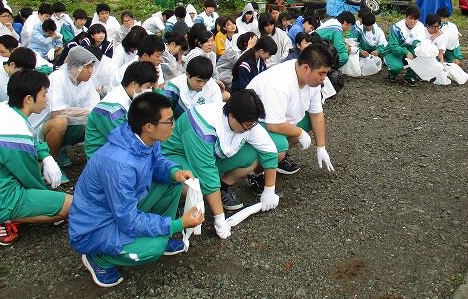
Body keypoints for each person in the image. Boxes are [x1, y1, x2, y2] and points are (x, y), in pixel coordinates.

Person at [69, 92, 203, 288]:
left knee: (174, 183)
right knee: (153, 248)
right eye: (169, 121)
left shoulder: (143, 137)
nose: (174, 125)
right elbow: (128, 220)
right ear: (149, 126)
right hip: (95, 227)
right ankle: (98, 258)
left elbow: (156, 161)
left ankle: (160, 233)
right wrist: (177, 224)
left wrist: (174, 172)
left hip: (118, 209)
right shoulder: (119, 164)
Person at [0, 70, 71, 247]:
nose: (47, 100)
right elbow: (31, 180)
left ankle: (7, 215)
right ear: (29, 99)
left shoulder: (4, 109)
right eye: (44, 94)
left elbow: (32, 139)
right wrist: (49, 199)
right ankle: (0, 219)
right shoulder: (16, 138)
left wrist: (46, 156)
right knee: (70, 206)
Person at [162, 89, 279, 222]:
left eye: (253, 125)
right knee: (191, 183)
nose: (250, 129)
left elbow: (269, 150)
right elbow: (206, 171)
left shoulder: (246, 121)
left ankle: (223, 186)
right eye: (247, 126)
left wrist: (270, 189)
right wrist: (220, 218)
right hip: (178, 155)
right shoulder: (202, 125)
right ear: (232, 116)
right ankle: (179, 202)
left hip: (209, 156)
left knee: (253, 154)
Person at [247, 44, 336, 175]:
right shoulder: (279, 82)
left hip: (277, 119)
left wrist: (321, 147)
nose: (324, 78)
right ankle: (256, 173)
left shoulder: (312, 81)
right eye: (321, 73)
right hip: (255, 122)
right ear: (306, 68)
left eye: (326, 73)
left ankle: (276, 159)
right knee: (280, 147)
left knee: (309, 121)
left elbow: (317, 115)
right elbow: (273, 125)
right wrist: (299, 132)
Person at [37, 47, 100, 164]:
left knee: (96, 121)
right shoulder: (58, 77)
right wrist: (87, 113)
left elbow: (94, 106)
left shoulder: (86, 82)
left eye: (92, 66)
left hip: (68, 124)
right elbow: (56, 113)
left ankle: (92, 162)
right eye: (87, 67)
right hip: (44, 127)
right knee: (60, 123)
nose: (90, 71)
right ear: (74, 67)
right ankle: (49, 163)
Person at [84, 61, 159, 159]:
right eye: (148, 87)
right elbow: (125, 141)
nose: (149, 91)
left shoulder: (130, 98)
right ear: (133, 84)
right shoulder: (111, 109)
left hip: (117, 151)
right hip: (102, 159)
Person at [382, 5, 425, 87]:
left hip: (409, 51)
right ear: (406, 17)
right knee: (397, 67)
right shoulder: (397, 27)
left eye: (415, 19)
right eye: (410, 18)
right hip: (393, 52)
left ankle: (409, 76)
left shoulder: (420, 27)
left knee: (421, 54)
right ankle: (392, 73)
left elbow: (420, 43)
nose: (413, 21)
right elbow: (393, 46)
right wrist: (405, 51)